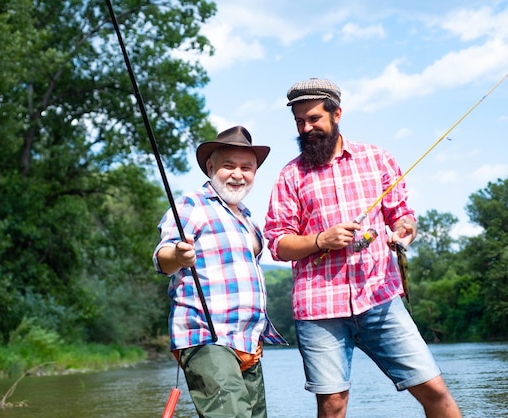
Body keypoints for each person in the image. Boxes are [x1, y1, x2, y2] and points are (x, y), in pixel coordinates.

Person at [264, 78, 461, 418]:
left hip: (379, 298)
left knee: (434, 391)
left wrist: (403, 232)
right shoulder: (290, 176)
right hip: (318, 308)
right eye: (299, 122)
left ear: (336, 114)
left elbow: (403, 216)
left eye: (314, 119)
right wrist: (320, 240)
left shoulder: (378, 159)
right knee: (333, 403)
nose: (306, 128)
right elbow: (277, 244)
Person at [153, 126, 288, 418]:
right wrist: (178, 254)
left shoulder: (249, 220)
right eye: (228, 166)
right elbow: (163, 259)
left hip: (248, 342)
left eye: (246, 167)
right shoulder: (193, 204)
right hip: (206, 337)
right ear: (211, 167)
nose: (238, 174)